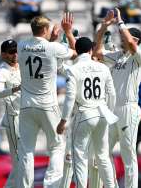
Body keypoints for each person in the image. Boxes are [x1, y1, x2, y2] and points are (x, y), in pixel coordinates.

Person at [17, 14, 77, 188]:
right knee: (57, 146)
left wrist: (50, 40)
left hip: (27, 105)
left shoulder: (21, 46)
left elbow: (38, 50)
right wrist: (67, 32)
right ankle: (51, 185)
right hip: (47, 105)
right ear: (44, 30)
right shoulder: (53, 48)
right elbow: (77, 54)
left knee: (26, 151)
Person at [93, 8, 141, 188]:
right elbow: (96, 53)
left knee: (128, 153)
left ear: (136, 40)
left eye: (125, 36)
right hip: (112, 110)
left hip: (128, 108)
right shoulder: (117, 56)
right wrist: (103, 27)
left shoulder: (139, 55)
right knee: (101, 153)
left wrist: (120, 22)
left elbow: (131, 45)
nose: (121, 38)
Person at [56, 37, 117, 188]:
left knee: (80, 157)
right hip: (102, 114)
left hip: (84, 114)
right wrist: (108, 111)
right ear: (91, 50)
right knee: (103, 157)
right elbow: (112, 94)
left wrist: (63, 120)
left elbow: (70, 97)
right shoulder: (103, 68)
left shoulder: (73, 69)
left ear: (76, 51)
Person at [0, 39, 21, 188]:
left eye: (16, 50)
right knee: (20, 161)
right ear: (3, 55)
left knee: (24, 161)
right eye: (11, 52)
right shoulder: (2, 71)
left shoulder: (22, 65)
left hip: (26, 118)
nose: (15, 54)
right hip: (14, 118)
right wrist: (13, 90)